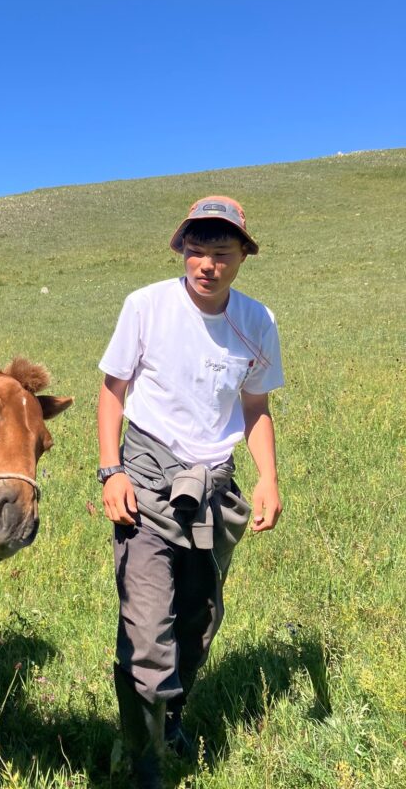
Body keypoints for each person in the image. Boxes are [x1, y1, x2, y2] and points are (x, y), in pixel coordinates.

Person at [97, 196, 283, 786]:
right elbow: (113, 391)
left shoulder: (257, 321)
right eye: (196, 250)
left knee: (199, 620)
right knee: (147, 632)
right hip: (146, 481)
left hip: (215, 488)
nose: (207, 264)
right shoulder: (146, 306)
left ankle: (169, 718)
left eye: (221, 253)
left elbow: (255, 406)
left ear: (243, 257)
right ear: (181, 250)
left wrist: (269, 478)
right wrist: (111, 470)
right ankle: (143, 763)